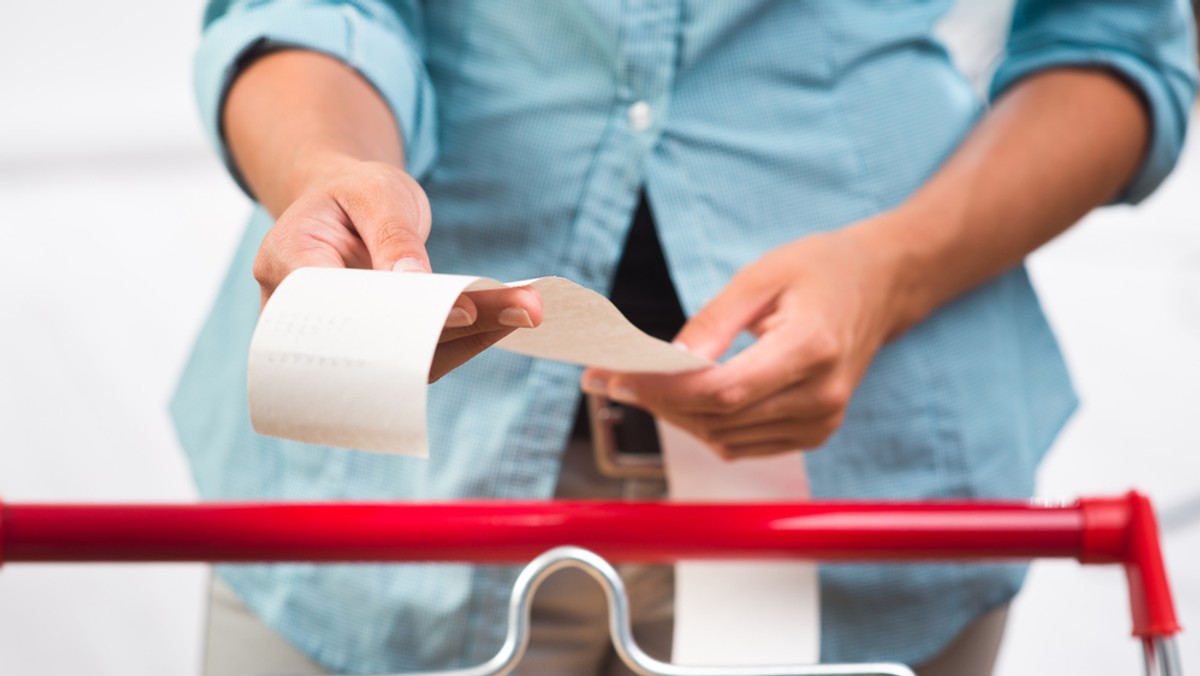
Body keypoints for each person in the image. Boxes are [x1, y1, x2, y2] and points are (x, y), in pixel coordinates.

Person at [172, 1, 1197, 674]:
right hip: (392, 495)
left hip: (875, 471)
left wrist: (894, 272)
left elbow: (1113, 43)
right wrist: (324, 167)